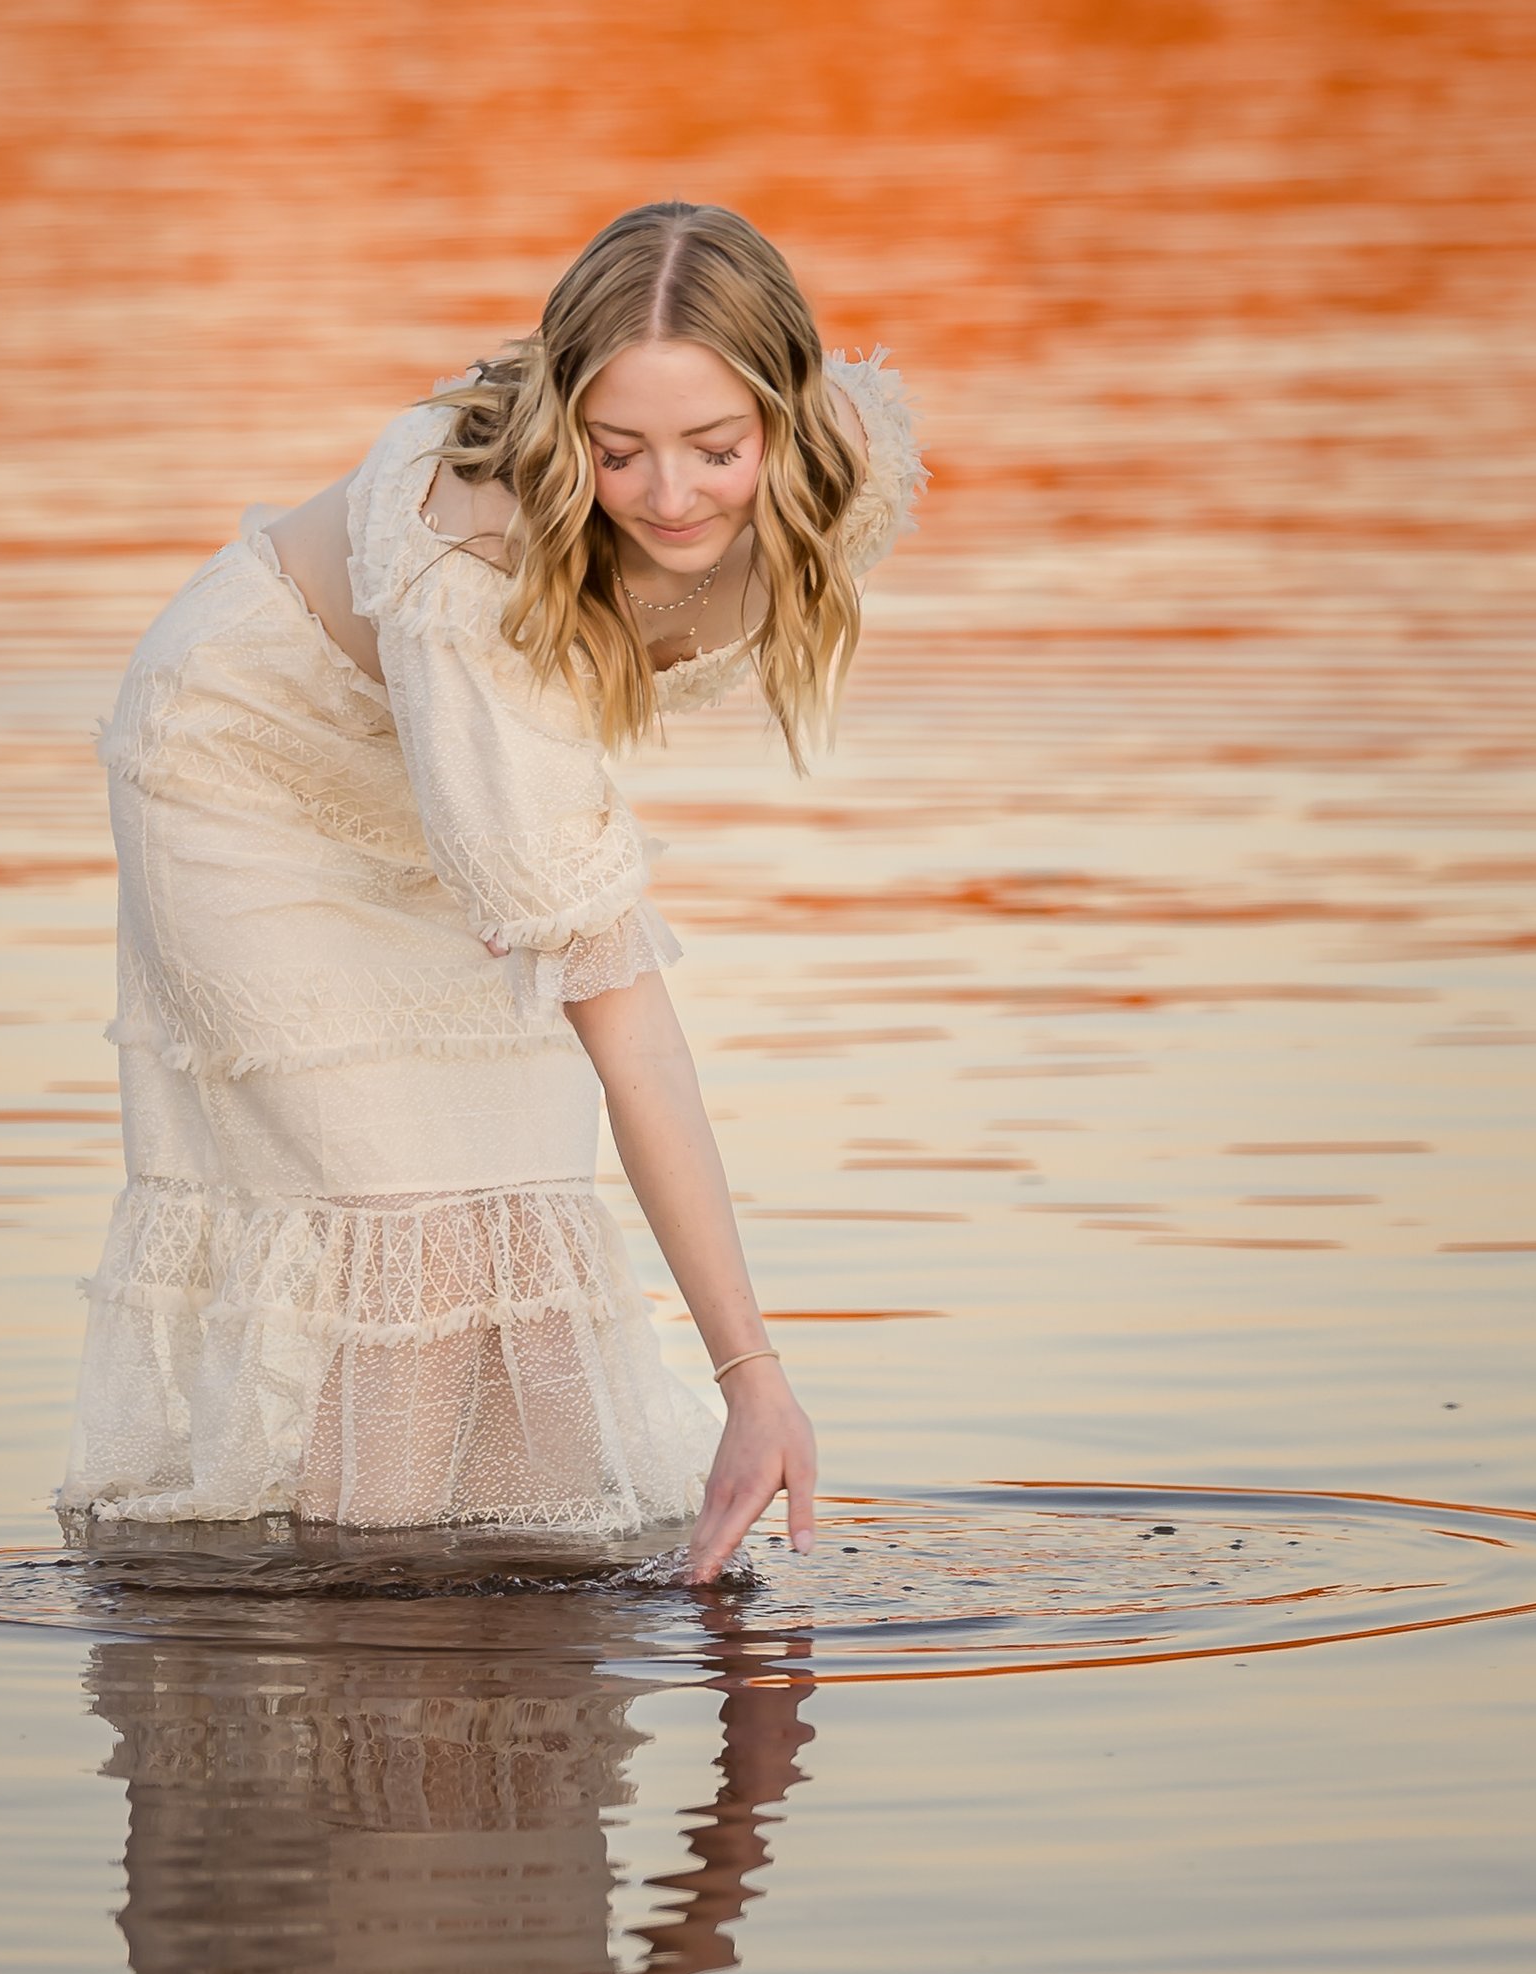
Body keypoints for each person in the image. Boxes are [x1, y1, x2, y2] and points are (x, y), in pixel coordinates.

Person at [56, 200, 922, 1583]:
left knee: (521, 1205)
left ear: (790, 413)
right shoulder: (472, 570)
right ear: (566, 426)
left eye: (718, 446)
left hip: (446, 770)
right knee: (411, 1232)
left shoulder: (843, 454)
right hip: (244, 772)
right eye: (618, 450)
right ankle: (363, 1637)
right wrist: (751, 1369)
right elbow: (622, 1013)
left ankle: (507, 1655)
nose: (673, 494)